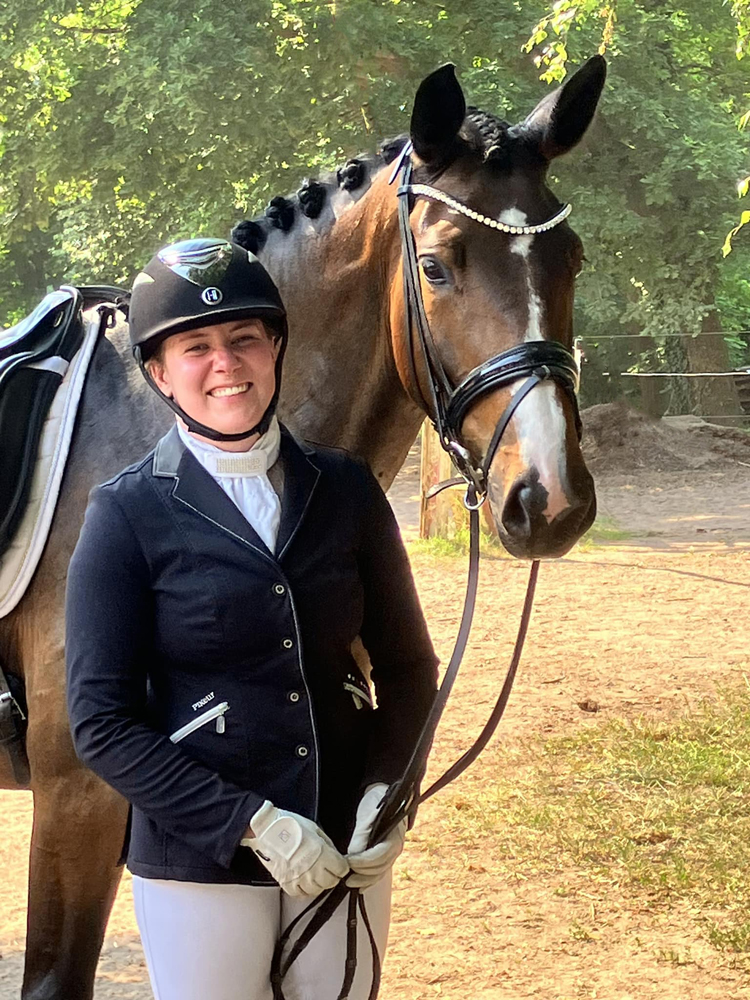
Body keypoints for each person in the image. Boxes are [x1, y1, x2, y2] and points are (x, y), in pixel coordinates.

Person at [65, 238, 438, 1000]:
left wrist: (385, 789)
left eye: (244, 339)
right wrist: (253, 823)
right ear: (161, 373)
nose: (225, 364)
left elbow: (407, 668)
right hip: (202, 858)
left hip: (342, 841)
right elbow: (101, 721)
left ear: (275, 349)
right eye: (195, 347)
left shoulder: (346, 490)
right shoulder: (124, 513)